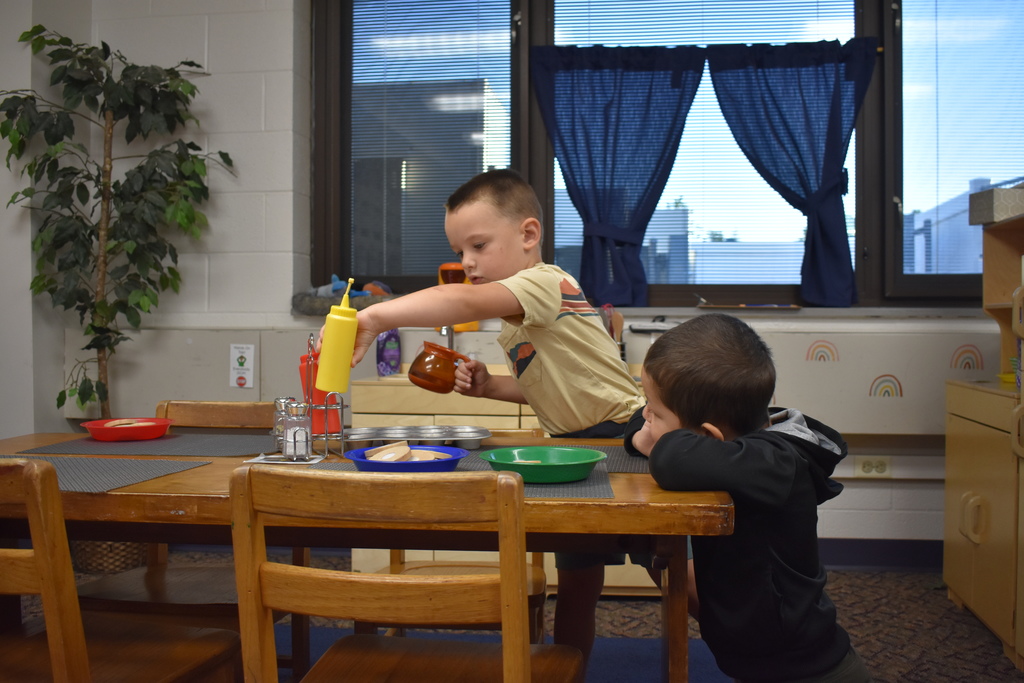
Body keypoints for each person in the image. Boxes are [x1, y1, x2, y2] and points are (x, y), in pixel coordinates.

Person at [328, 167, 660, 676]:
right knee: (577, 586)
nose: (467, 264)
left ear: (529, 235)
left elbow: (458, 300)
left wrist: (376, 315)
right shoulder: (519, 319)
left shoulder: (546, 282)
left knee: (671, 566)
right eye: (461, 252)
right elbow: (548, 386)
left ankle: (760, 646)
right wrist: (490, 386)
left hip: (625, 438)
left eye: (478, 246)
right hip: (577, 447)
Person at [624, 312, 871, 683]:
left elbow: (673, 457)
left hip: (806, 670)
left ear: (707, 439)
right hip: (757, 656)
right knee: (652, 547)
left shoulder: (775, 462)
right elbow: (641, 427)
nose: (644, 415)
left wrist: (653, 441)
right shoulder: (734, 444)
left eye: (654, 413)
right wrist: (648, 427)